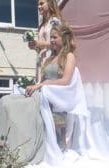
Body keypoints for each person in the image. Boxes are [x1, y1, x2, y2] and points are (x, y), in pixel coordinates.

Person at [25, 24, 109, 166]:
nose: (51, 40)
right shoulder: (49, 59)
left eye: (54, 37)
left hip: (61, 98)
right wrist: (35, 86)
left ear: (64, 39)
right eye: (50, 37)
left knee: (43, 92)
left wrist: (42, 86)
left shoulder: (68, 57)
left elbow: (65, 81)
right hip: (49, 95)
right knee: (20, 97)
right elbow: (43, 80)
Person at [28, 0, 63, 82]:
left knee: (49, 86)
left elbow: (59, 43)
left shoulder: (55, 22)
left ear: (49, 4)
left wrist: (39, 43)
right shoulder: (42, 25)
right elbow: (41, 46)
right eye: (38, 5)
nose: (39, 7)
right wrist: (35, 46)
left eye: (42, 4)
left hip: (52, 58)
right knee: (41, 86)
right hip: (41, 59)